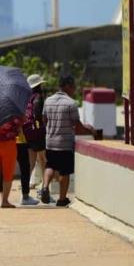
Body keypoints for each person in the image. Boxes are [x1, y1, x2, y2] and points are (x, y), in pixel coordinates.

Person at [40, 75, 96, 207]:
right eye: (73, 87)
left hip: (50, 141)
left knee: (50, 166)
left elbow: (44, 120)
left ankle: (45, 187)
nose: (74, 89)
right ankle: (62, 199)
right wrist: (91, 131)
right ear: (67, 86)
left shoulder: (48, 101)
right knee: (65, 171)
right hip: (64, 143)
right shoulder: (71, 103)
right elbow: (78, 126)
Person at [23, 74, 47, 190]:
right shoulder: (38, 97)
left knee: (30, 161)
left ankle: (26, 184)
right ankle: (44, 185)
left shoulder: (27, 97)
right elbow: (38, 115)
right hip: (37, 132)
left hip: (28, 131)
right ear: (39, 85)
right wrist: (43, 126)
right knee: (42, 159)